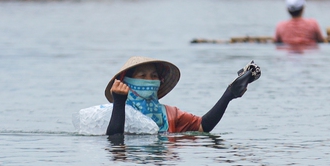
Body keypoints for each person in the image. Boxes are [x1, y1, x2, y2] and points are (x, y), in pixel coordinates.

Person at [105, 57, 259, 136]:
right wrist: (119, 102)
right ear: (127, 82)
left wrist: (229, 95)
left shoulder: (170, 115)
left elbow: (202, 126)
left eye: (154, 76)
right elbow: (115, 141)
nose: (149, 80)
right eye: (142, 75)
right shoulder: (114, 113)